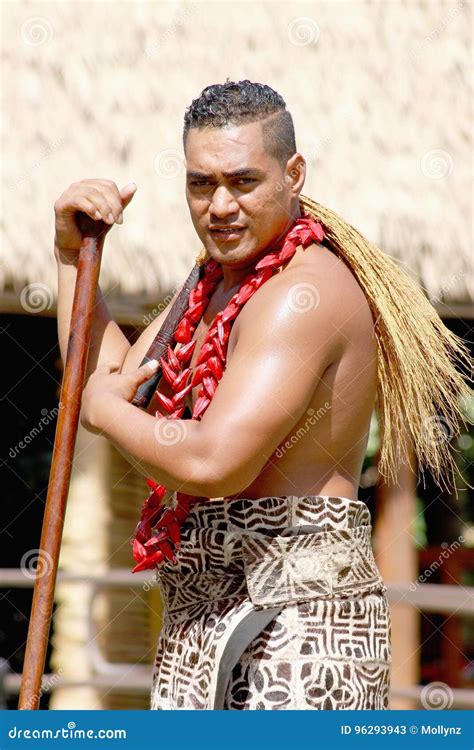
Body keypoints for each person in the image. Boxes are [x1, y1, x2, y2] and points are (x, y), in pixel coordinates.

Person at [53, 80, 471, 710]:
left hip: (296, 636)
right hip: (209, 620)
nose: (220, 206)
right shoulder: (212, 285)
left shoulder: (302, 294)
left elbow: (213, 461)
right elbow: (113, 385)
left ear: (293, 173)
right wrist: (71, 258)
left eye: (243, 182)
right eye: (201, 184)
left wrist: (103, 411)